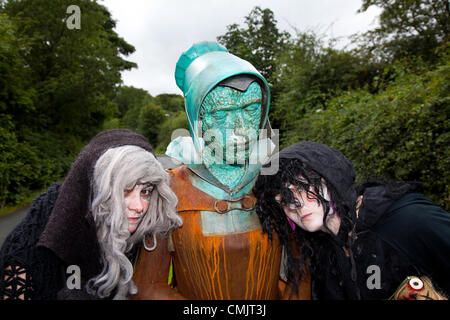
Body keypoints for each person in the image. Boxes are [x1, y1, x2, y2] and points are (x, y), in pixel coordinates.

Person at [131, 42, 310, 299]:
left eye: (250, 109)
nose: (240, 127)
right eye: (222, 112)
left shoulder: (277, 182)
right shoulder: (170, 190)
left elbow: (299, 272)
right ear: (198, 122)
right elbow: (148, 286)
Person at [253, 141, 450, 300]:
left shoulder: (408, 220)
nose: (295, 204)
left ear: (332, 178)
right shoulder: (320, 257)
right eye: (284, 199)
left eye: (302, 188)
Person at [0, 129, 182, 300]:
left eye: (146, 191)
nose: (140, 206)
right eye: (125, 190)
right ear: (95, 189)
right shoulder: (30, 247)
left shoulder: (137, 229)